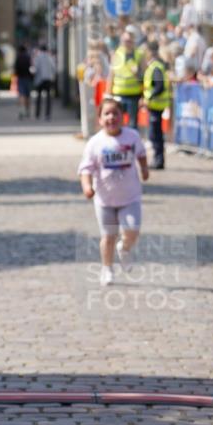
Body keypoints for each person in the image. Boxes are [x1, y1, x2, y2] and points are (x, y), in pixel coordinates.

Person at [78, 95, 149, 286]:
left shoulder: (132, 136)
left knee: (132, 229)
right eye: (106, 114)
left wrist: (144, 169)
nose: (111, 117)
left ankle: (125, 249)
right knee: (108, 236)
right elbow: (86, 169)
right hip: (104, 199)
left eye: (115, 113)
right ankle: (107, 268)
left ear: (123, 116)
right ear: (100, 119)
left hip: (130, 196)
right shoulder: (95, 143)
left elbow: (141, 154)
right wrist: (87, 187)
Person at [142, 40, 171, 170]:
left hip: (157, 106)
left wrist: (147, 97)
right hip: (154, 106)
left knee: (156, 135)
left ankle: (158, 160)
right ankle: (157, 159)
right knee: (155, 134)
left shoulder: (156, 67)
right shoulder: (154, 66)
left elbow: (159, 87)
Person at [108, 30, 144, 129]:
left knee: (133, 123)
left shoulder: (139, 55)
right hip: (118, 94)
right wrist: (108, 93)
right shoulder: (116, 54)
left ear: (133, 41)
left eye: (129, 40)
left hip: (134, 94)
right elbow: (111, 75)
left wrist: (143, 96)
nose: (127, 43)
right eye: (125, 40)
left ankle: (132, 144)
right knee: (118, 121)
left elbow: (144, 77)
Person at [33, 43, 56, 120]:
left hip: (40, 79)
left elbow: (35, 68)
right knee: (48, 97)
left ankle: (37, 114)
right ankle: (48, 114)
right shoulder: (50, 57)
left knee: (38, 97)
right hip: (49, 79)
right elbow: (54, 68)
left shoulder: (38, 57)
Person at [14, 44, 32, 119]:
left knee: (21, 95)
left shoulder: (18, 58)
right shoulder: (28, 57)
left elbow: (15, 68)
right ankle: (27, 111)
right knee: (27, 95)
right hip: (27, 78)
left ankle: (21, 111)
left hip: (20, 78)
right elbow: (31, 67)